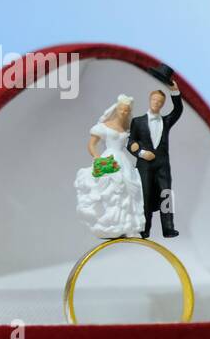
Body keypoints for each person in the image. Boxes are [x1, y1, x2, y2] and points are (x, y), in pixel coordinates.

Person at [74, 95, 146, 238]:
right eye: (121, 110)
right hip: (109, 159)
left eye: (127, 111)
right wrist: (96, 157)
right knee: (110, 190)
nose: (124, 113)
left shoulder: (128, 128)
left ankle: (124, 224)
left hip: (123, 161)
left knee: (127, 191)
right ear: (116, 109)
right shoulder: (104, 127)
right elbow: (91, 144)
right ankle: (108, 222)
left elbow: (131, 144)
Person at [129, 64, 184, 239]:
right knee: (145, 196)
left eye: (160, 102)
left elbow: (179, 110)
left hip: (162, 165)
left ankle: (168, 227)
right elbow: (130, 142)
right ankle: (144, 228)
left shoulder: (166, 121)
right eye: (154, 100)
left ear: (162, 104)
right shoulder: (138, 122)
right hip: (144, 164)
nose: (157, 103)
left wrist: (174, 91)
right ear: (149, 100)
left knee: (166, 194)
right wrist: (141, 153)